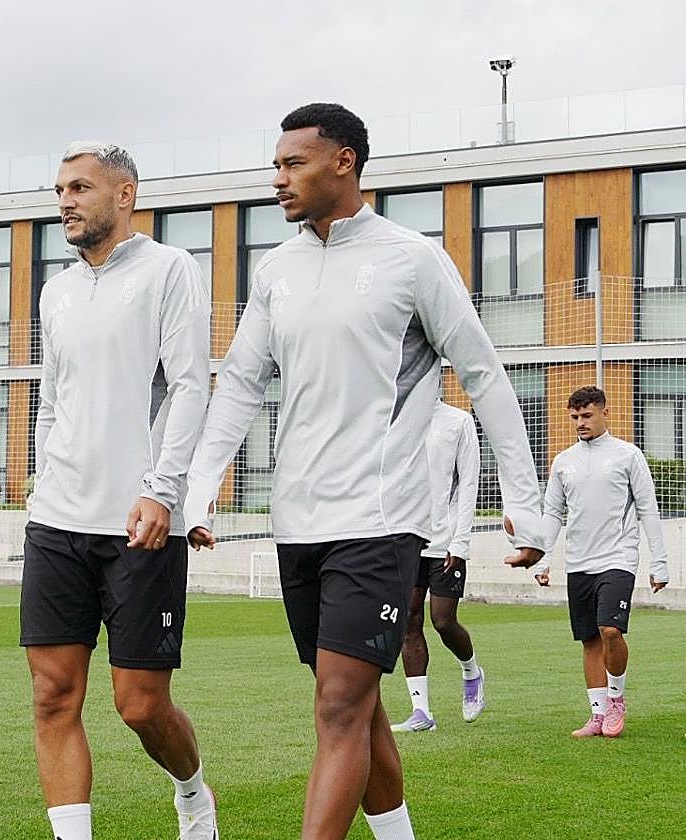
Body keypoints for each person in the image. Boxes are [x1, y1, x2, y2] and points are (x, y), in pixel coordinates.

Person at [183, 103, 545, 840]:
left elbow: (484, 375)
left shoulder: (412, 259)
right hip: (298, 524)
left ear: (344, 161)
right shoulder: (275, 270)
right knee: (357, 705)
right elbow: (242, 384)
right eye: (276, 165)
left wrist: (525, 501)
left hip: (381, 522)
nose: (278, 179)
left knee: (339, 706)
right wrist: (199, 488)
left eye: (293, 164)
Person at [23, 142, 217, 840]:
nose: (65, 202)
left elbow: (190, 386)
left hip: (140, 521)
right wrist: (42, 480)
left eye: (79, 188)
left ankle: (193, 793)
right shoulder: (56, 290)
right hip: (56, 519)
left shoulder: (170, 270)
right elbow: (51, 399)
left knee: (139, 705)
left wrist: (164, 491)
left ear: (124, 194)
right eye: (59, 191)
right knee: (53, 696)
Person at [525, 385, 669, 738]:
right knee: (590, 639)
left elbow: (648, 509)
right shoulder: (563, 461)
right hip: (579, 563)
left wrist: (659, 562)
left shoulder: (628, 455)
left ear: (606, 412)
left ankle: (617, 700)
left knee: (610, 631)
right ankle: (597, 714)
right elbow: (553, 513)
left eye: (587, 415)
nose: (580, 422)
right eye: (575, 417)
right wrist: (543, 559)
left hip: (618, 558)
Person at [392, 398, 485, 733]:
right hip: (406, 538)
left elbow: (469, 483)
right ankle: (421, 712)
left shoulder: (457, 421)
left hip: (445, 540)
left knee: (443, 620)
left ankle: (471, 671)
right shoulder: (393, 416)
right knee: (409, 619)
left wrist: (460, 541)